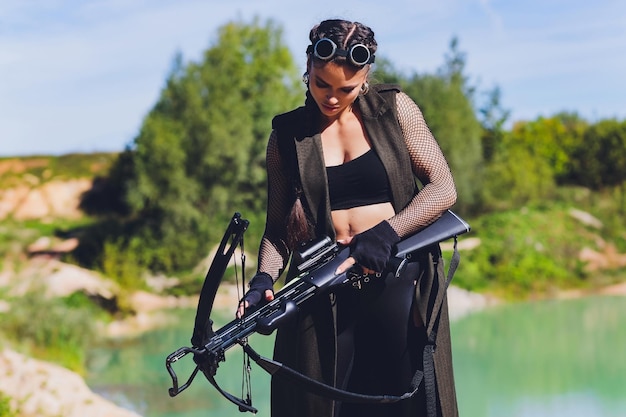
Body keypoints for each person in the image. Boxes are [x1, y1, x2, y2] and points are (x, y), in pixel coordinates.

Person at [237, 18, 459, 417]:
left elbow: (443, 188)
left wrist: (387, 233)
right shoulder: (286, 137)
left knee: (406, 404)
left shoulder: (395, 109)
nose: (332, 98)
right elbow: (277, 231)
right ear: (308, 68)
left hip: (399, 281)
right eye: (321, 84)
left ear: (365, 78)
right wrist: (263, 280)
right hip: (324, 292)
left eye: (346, 89)